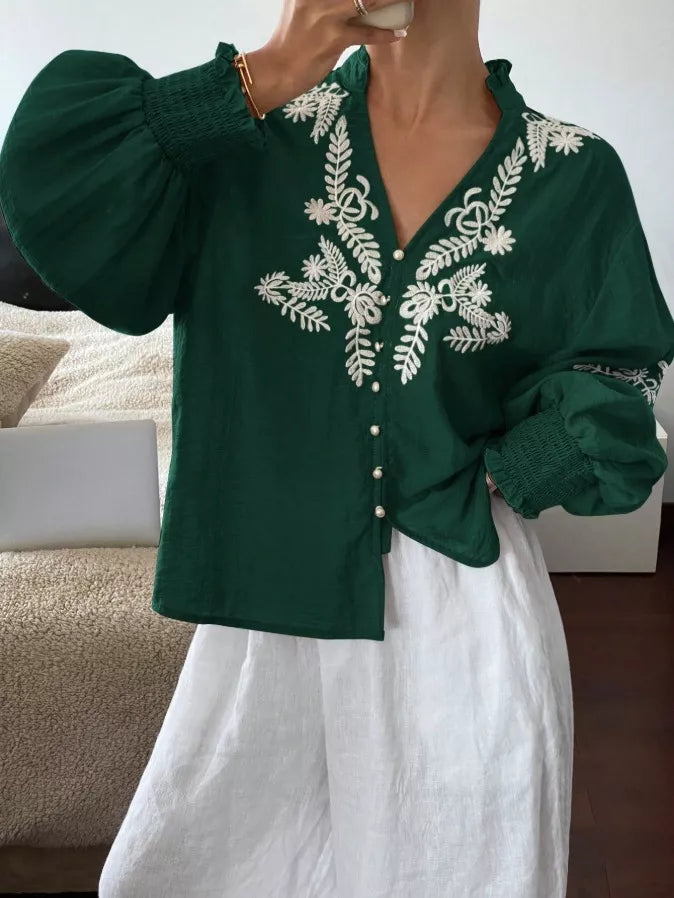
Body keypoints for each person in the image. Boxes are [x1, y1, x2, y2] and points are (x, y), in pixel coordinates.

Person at [1, 0, 673, 895]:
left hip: (464, 615)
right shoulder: (244, 141)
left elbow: (619, 370)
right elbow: (51, 179)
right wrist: (266, 72)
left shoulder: (573, 173)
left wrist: (513, 469)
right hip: (263, 604)